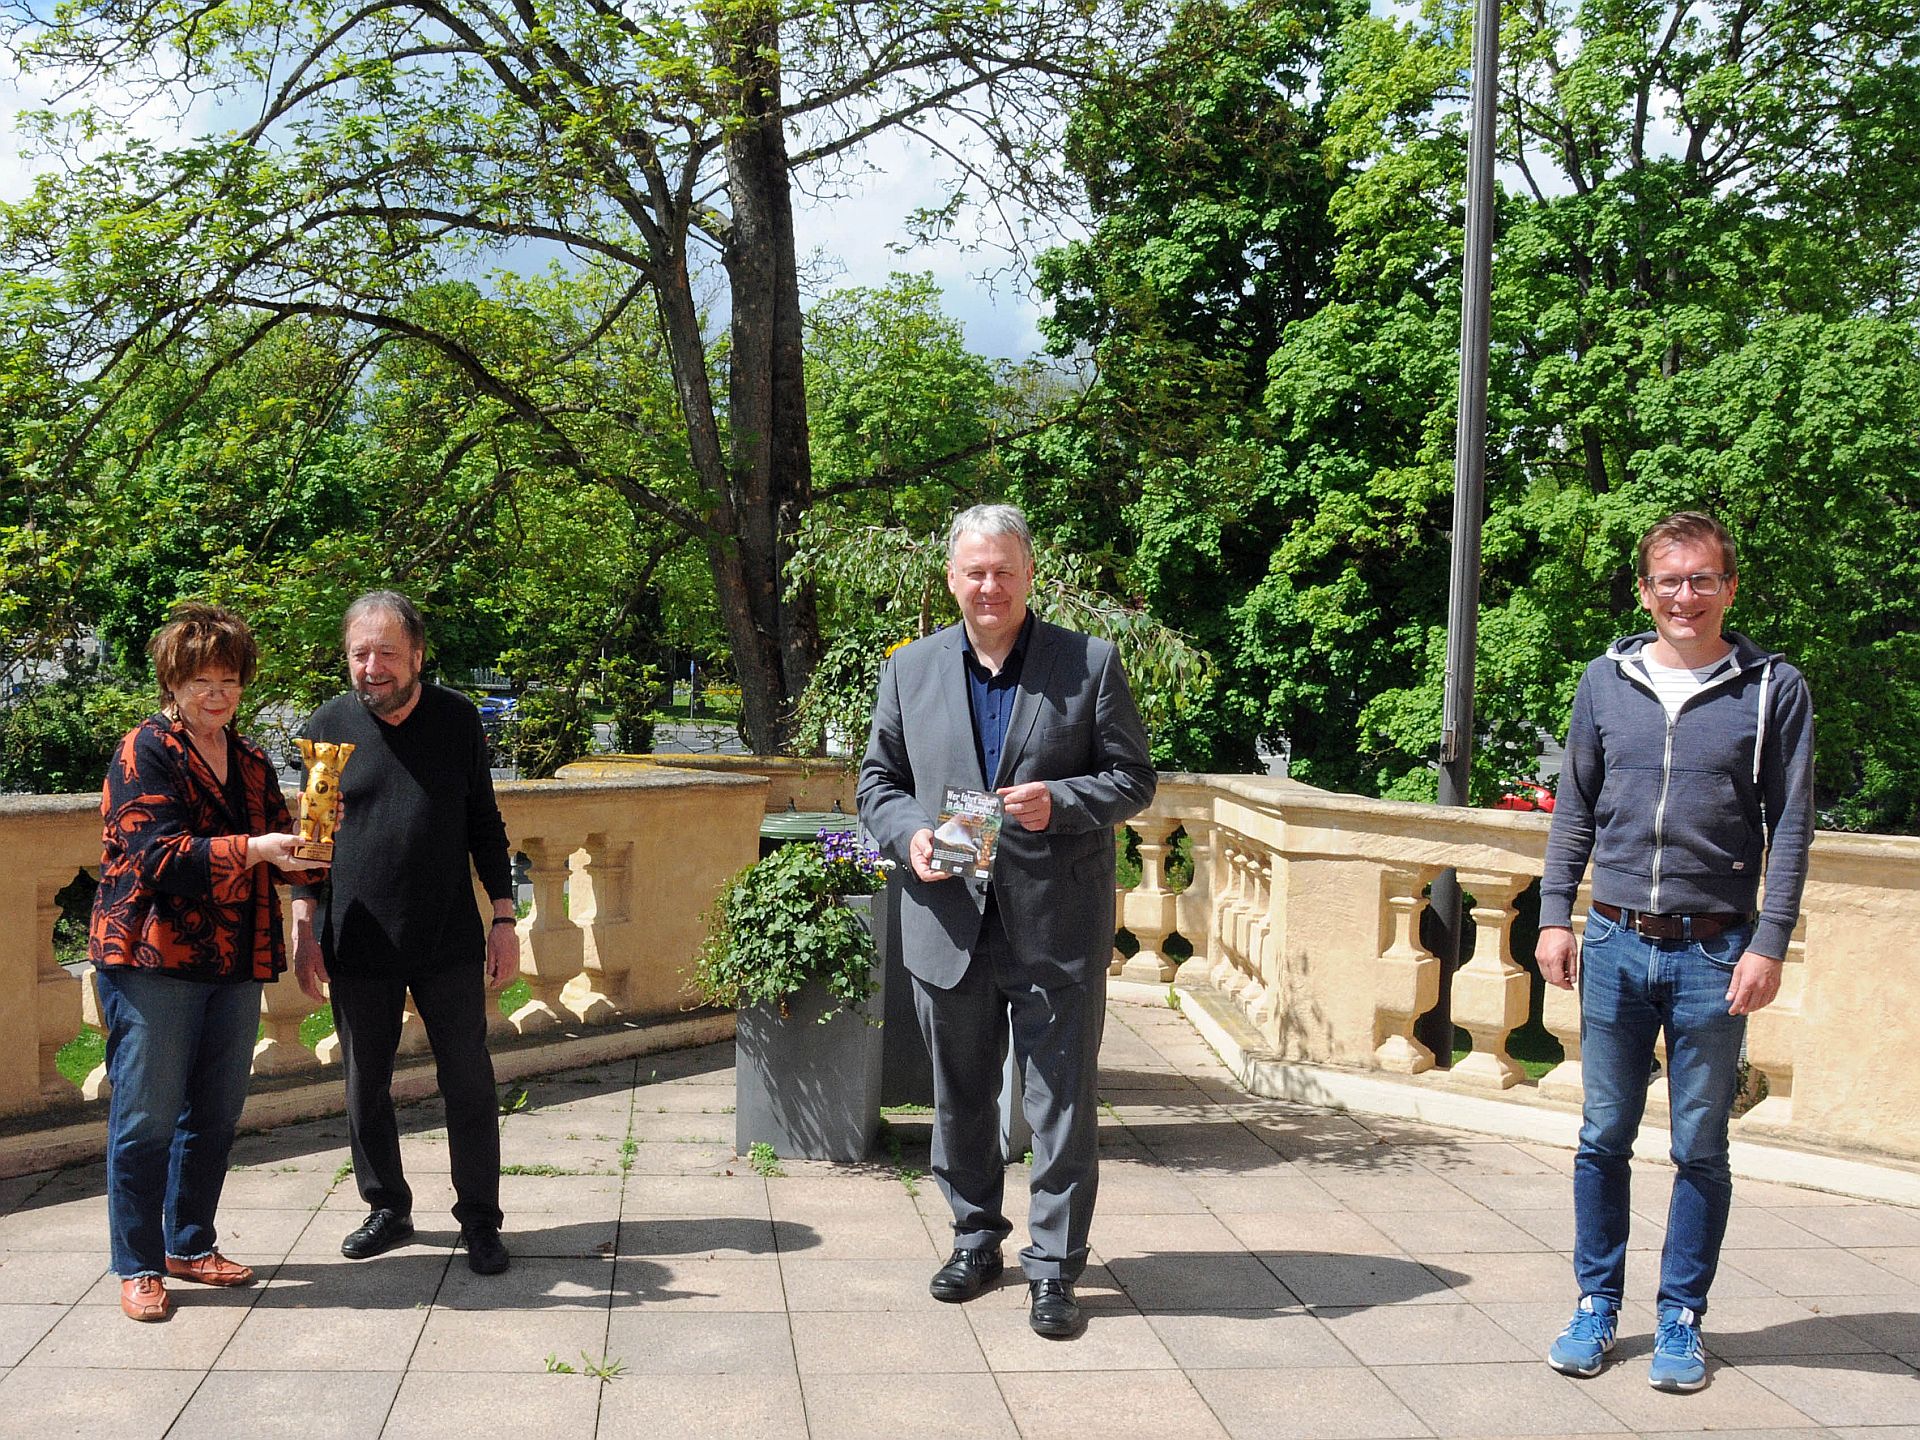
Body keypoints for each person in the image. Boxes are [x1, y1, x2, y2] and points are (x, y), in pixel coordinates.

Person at [858, 503, 1157, 1339]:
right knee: (958, 1098)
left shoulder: (1088, 663)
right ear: (952, 579)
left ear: (1030, 577)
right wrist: (909, 835)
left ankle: (1055, 1270)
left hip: (1053, 924)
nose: (989, 586)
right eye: (974, 572)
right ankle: (975, 1238)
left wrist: (1058, 802)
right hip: (948, 919)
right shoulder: (909, 670)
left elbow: (1134, 780)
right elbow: (877, 784)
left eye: (1004, 571)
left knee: (1059, 1105)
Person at [1538, 511, 1814, 1392]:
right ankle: (1595, 1304)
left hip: (1715, 952)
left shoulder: (1772, 688)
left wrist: (1769, 942)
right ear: (1646, 591)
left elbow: (1793, 826)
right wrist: (1554, 913)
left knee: (1699, 1147)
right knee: (1601, 1137)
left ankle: (1681, 1318)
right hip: (1614, 939)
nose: (1684, 596)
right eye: (1669, 581)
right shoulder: (1604, 680)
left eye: (1702, 580)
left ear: (1729, 587)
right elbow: (1574, 805)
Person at [89, 602, 324, 1321]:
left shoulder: (251, 759)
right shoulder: (144, 750)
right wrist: (254, 851)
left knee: (215, 1114)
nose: (215, 693)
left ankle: (189, 1244)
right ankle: (137, 1262)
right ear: (172, 682)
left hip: (233, 957)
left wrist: (313, 852)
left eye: (228, 678)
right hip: (150, 956)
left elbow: (291, 851)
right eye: (200, 680)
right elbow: (157, 856)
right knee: (146, 1116)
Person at [290, 590, 519, 1275]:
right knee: (366, 1085)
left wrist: (504, 917)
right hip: (357, 940)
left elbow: (485, 824)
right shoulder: (327, 731)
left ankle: (480, 1217)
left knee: (469, 1083)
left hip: (449, 936)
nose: (372, 667)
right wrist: (304, 933)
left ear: (417, 655)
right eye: (360, 653)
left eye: (387, 652)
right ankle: (386, 1205)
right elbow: (311, 842)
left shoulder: (456, 721)